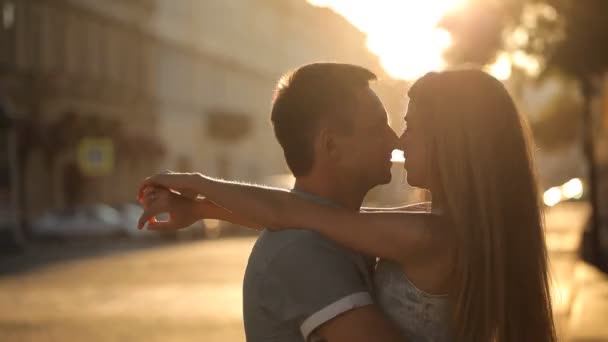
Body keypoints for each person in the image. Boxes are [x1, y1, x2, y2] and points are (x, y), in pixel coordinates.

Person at [139, 68, 556, 342]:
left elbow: (298, 213)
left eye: (410, 126)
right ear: (331, 144)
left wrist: (197, 187)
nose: (398, 140)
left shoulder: (425, 234)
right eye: (386, 125)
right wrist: (200, 209)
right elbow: (314, 219)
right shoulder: (439, 226)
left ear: (450, 144)